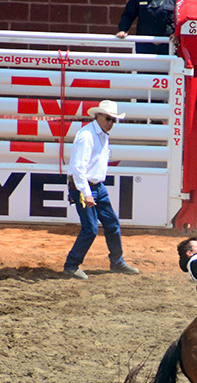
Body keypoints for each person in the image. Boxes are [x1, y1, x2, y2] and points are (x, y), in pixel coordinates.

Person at [63, 100, 140, 280]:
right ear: (98, 116)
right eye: (108, 118)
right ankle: (71, 265)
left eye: (114, 120)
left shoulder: (100, 134)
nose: (111, 123)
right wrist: (87, 193)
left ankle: (117, 262)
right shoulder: (87, 136)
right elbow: (78, 168)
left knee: (112, 224)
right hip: (85, 187)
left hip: (96, 186)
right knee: (90, 229)